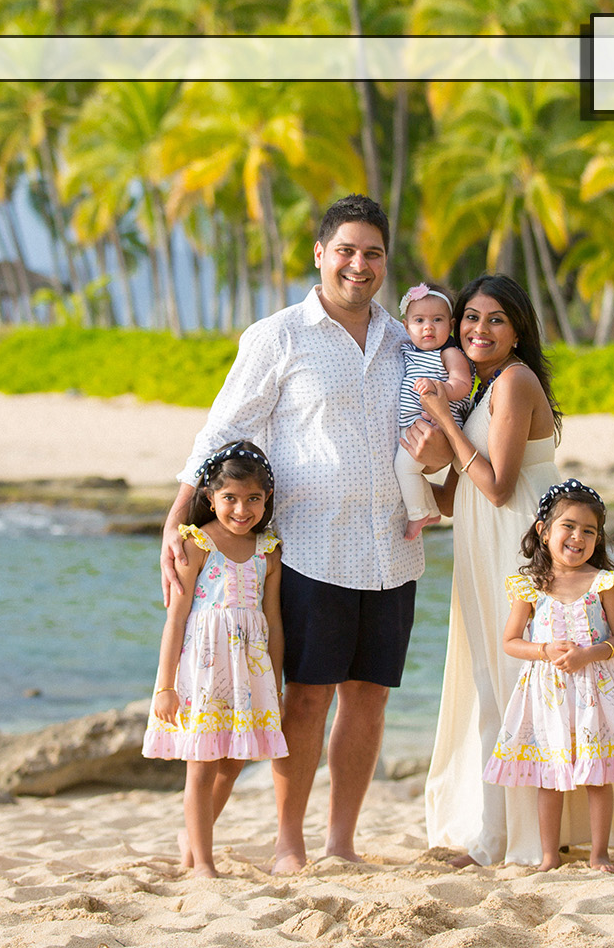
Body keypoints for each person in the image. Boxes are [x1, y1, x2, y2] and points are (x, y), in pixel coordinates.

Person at [161, 194, 449, 875]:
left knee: (369, 699)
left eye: (372, 253)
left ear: (386, 262)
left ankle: (340, 841)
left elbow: (438, 421)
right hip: (312, 548)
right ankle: (289, 843)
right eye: (346, 250)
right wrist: (175, 523)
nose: (359, 264)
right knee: (308, 697)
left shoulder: (406, 340)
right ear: (320, 254)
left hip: (393, 550)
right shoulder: (279, 335)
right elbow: (221, 432)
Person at [415, 273, 614, 866]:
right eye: (470, 317)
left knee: (515, 684)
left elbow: (495, 488)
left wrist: (444, 419)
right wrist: (423, 462)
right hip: (483, 538)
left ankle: (511, 839)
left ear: (519, 330)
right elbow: (457, 497)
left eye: (495, 319)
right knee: (495, 685)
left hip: (517, 537)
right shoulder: (486, 387)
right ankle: (500, 831)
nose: (479, 329)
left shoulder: (514, 382)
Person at [484, 479, 614, 873]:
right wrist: (544, 650)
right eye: (569, 526)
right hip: (547, 692)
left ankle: (599, 853)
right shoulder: (529, 586)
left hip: (596, 689)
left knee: (598, 775)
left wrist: (590, 654)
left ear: (599, 539)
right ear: (544, 532)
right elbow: (511, 641)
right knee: (549, 774)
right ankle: (548, 855)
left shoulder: (604, 583)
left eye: (589, 531)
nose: (578, 537)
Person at [144, 441, 286, 878]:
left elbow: (273, 622)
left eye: (253, 499)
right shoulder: (197, 542)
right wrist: (165, 687)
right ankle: (203, 863)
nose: (241, 509)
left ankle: (192, 839)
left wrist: (275, 687)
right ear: (209, 497)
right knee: (202, 768)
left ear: (266, 499)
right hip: (204, 673)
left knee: (234, 763)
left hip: (251, 675)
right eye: (229, 498)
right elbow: (176, 621)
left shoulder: (268, 549)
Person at [394, 283, 472, 541]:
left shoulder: (448, 353)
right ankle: (433, 511)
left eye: (436, 320)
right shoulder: (409, 352)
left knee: (404, 469)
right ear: (406, 326)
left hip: (435, 426)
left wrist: (439, 388)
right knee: (409, 470)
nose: (428, 327)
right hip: (416, 426)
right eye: (419, 320)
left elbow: (462, 385)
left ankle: (418, 514)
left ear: (450, 325)